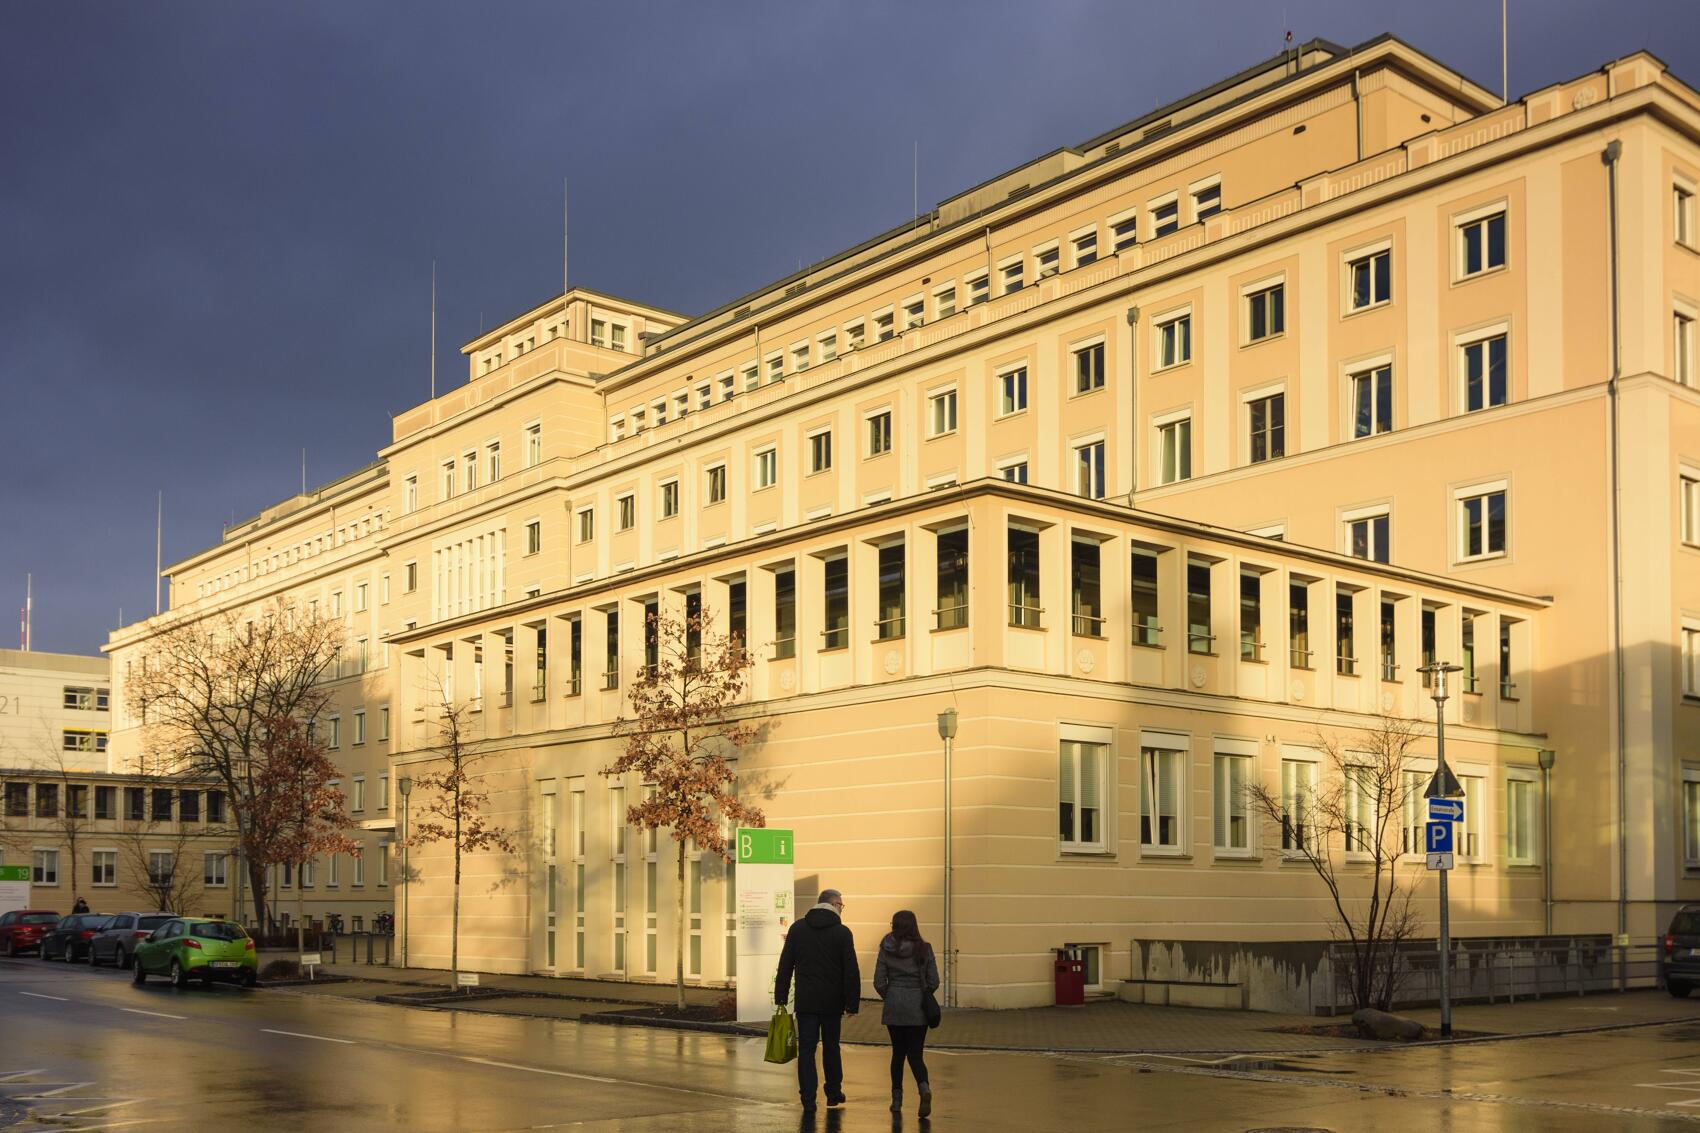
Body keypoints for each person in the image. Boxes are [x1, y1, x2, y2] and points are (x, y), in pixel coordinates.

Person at [774, 888, 860, 1114]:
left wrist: (781, 996)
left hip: (806, 1001)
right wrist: (852, 1003)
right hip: (832, 1002)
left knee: (806, 1050)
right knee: (831, 1046)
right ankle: (833, 1092)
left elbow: (786, 964)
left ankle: (808, 1098)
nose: (841, 909)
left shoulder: (798, 929)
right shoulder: (842, 933)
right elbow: (851, 970)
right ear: (833, 905)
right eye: (841, 905)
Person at [873, 909, 940, 1117]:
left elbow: (878, 981)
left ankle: (896, 1100)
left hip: (894, 1005)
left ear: (894, 926)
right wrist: (921, 994)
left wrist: (891, 995)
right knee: (915, 1055)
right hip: (917, 1007)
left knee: (898, 1054)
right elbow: (934, 981)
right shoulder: (924, 948)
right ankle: (924, 1088)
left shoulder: (886, 947)